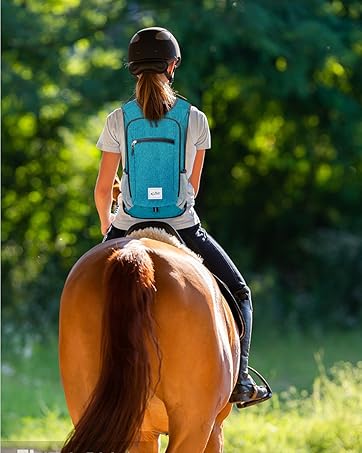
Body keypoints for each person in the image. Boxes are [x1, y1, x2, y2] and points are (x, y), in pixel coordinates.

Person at [94, 26, 271, 407]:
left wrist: (109, 229)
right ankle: (240, 380)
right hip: (181, 227)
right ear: (173, 66)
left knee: (86, 291)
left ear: (133, 70)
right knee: (240, 292)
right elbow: (191, 187)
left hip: (127, 226)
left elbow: (101, 189)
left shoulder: (115, 120)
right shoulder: (195, 119)